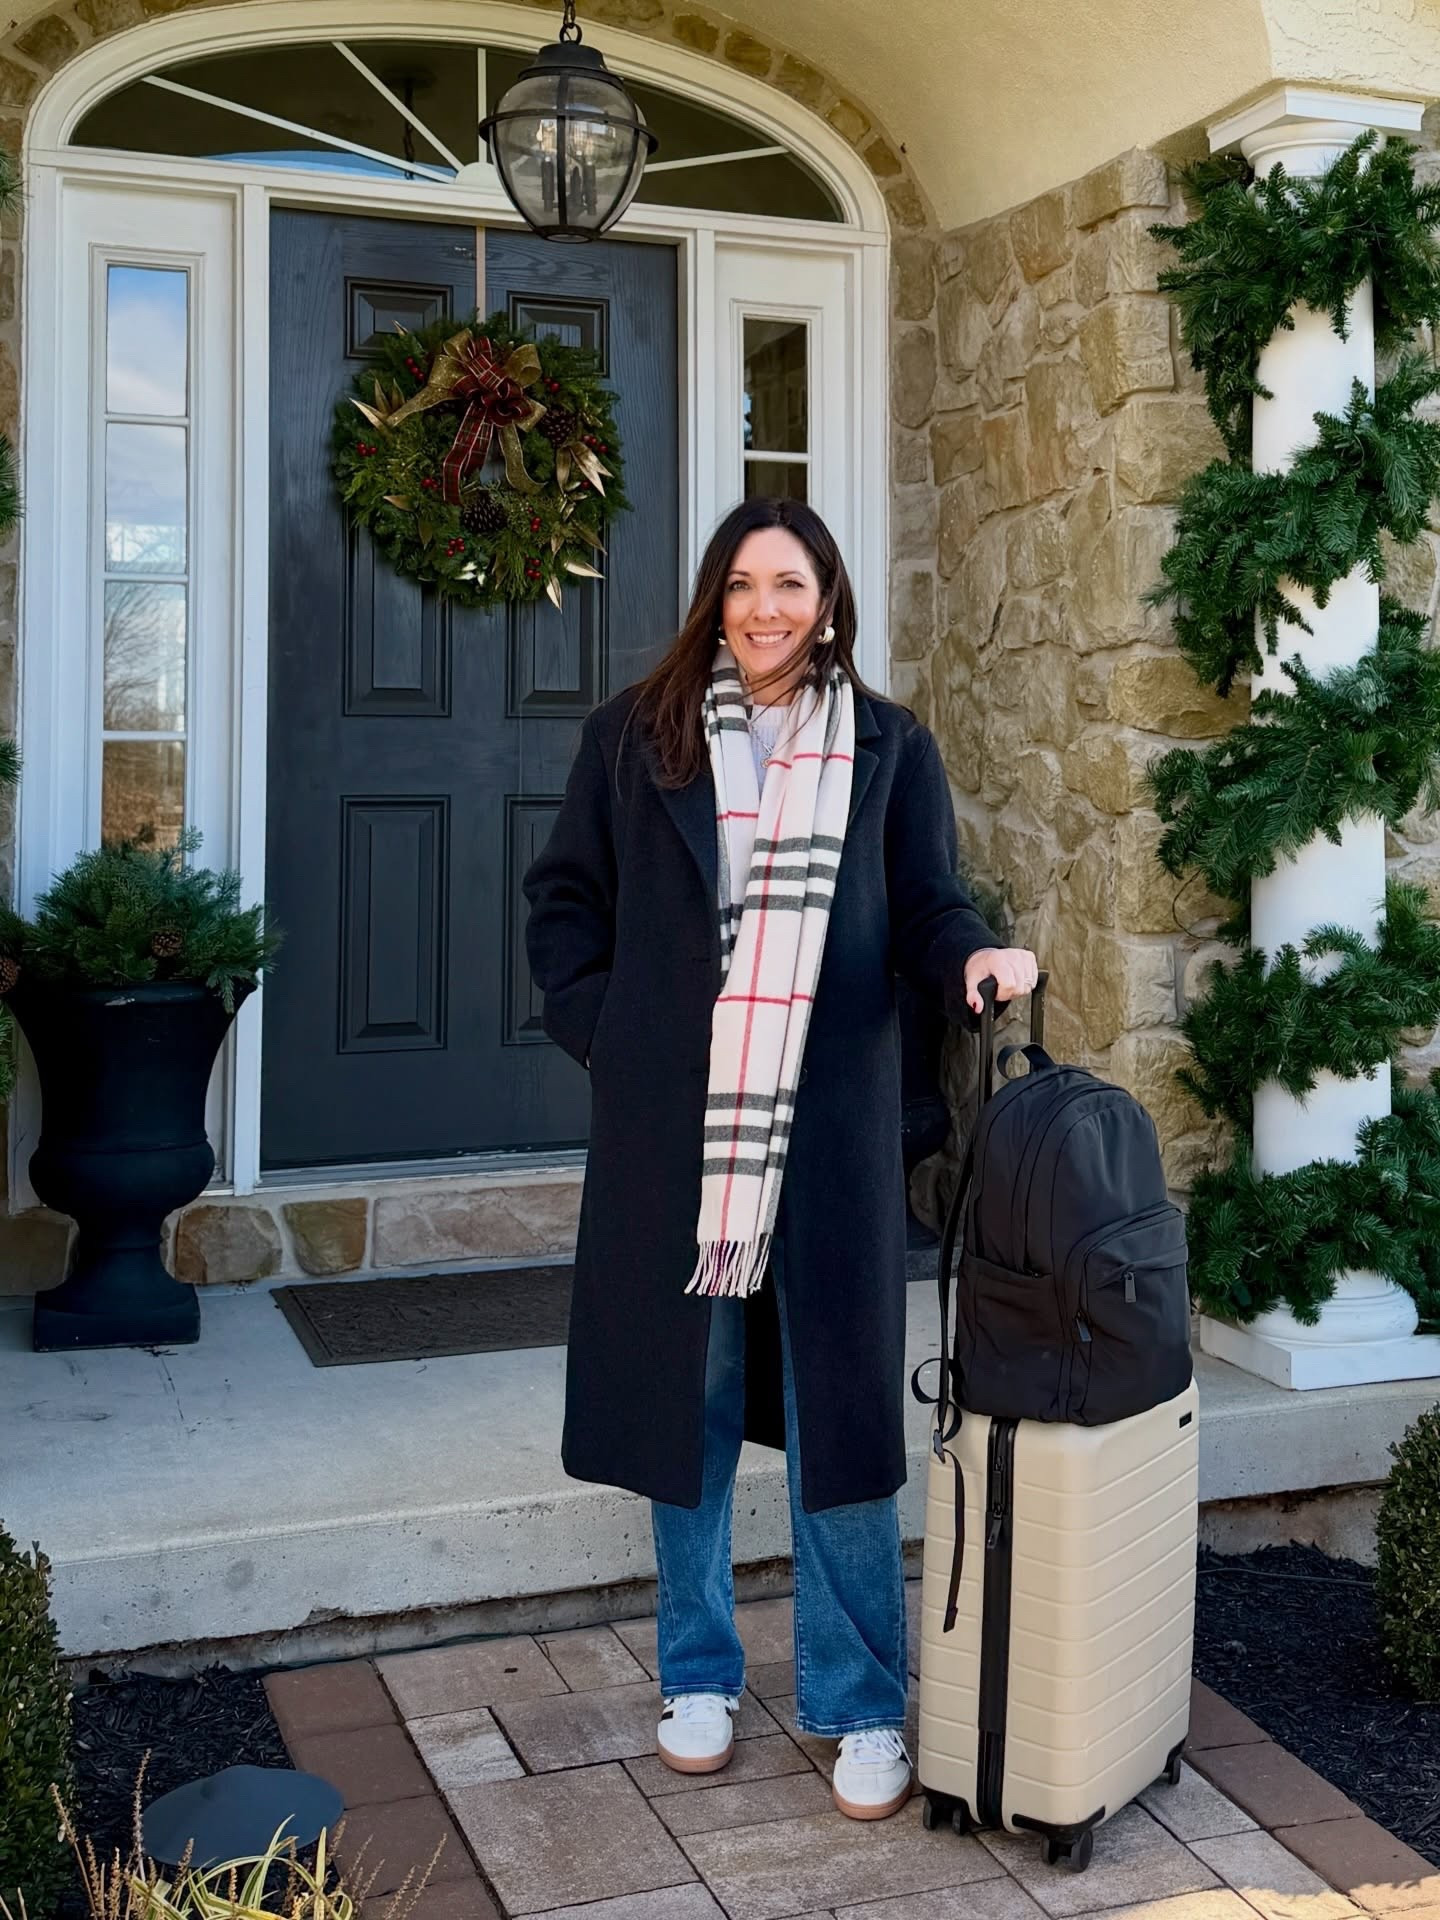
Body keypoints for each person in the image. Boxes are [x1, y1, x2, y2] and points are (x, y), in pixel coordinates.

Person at [523, 497, 1038, 1820]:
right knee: (685, 1404)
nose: (766, 609)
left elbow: (926, 906)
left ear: (828, 602)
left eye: (791, 585)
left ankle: (860, 1700)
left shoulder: (889, 746)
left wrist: (973, 957)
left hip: (833, 1123)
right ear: (716, 596)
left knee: (840, 1412)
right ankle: (696, 1676)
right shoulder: (633, 740)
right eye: (746, 584)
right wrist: (614, 1036)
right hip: (675, 1132)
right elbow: (565, 904)